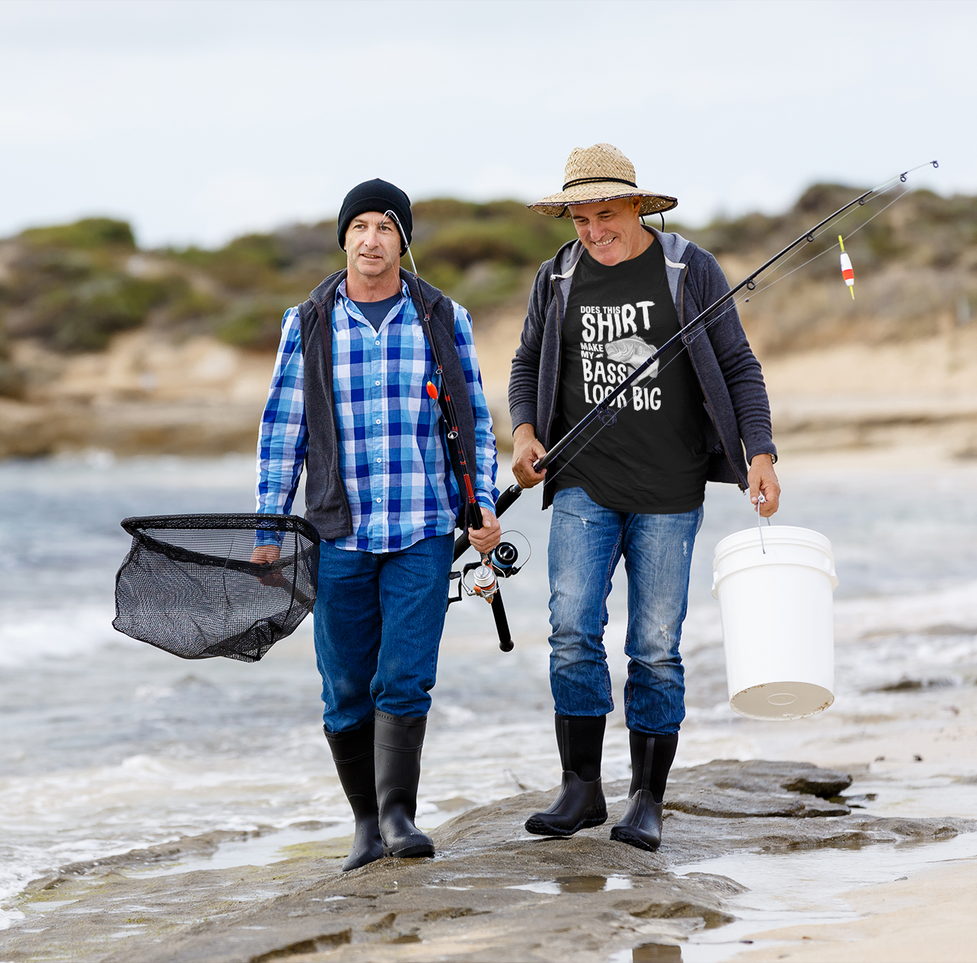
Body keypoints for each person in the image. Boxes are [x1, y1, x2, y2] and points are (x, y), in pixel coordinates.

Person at [508, 145, 781, 852]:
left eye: (605, 214)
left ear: (636, 207)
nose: (593, 230)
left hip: (668, 489)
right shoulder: (555, 276)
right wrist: (523, 431)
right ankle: (579, 787)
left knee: (654, 646)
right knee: (571, 629)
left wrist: (759, 452)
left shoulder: (687, 269)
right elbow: (526, 360)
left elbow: (737, 366)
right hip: (581, 483)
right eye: (579, 217)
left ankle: (646, 798)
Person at [251, 178, 501, 871]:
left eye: (385, 227)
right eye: (359, 226)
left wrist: (478, 504)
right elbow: (282, 432)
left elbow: (474, 420)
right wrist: (270, 526)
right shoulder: (306, 321)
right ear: (343, 237)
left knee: (405, 678)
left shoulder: (441, 315)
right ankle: (364, 822)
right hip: (337, 533)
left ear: (402, 241)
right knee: (344, 686)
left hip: (421, 528)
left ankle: (398, 814)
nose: (370, 240)